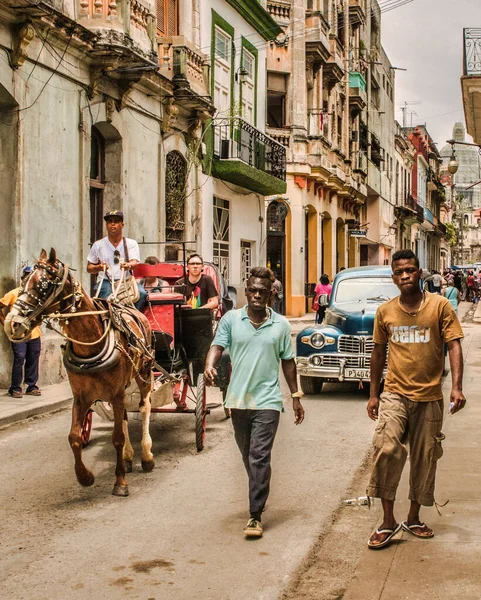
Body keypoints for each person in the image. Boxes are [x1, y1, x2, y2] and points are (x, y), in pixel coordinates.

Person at [366, 249, 465, 550]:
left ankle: (413, 517)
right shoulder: (385, 312)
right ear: (393, 277)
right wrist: (373, 394)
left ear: (419, 273)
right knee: (388, 447)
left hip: (430, 396)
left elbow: (454, 345)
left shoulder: (440, 306)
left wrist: (456, 387)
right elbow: (378, 353)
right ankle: (387, 521)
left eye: (410, 270)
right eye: (399, 272)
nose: (405, 276)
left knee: (425, 458)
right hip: (395, 393)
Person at [204, 266, 305, 539]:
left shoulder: (281, 325)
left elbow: (288, 361)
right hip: (238, 400)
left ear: (270, 294)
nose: (257, 295)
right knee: (249, 456)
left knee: (259, 456)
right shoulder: (231, 320)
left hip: (268, 401)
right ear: (246, 291)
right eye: (253, 290)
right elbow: (218, 346)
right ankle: (259, 488)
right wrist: (209, 365)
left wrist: (295, 397)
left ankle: (255, 515)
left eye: (263, 291)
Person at [86, 210, 147, 311]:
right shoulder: (98, 245)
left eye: (116, 221)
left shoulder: (131, 243)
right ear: (106, 225)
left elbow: (134, 262)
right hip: (106, 281)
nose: (113, 224)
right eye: (110, 221)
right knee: (108, 299)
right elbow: (89, 268)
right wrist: (99, 267)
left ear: (122, 225)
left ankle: (133, 318)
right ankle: (109, 323)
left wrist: (128, 265)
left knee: (142, 294)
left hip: (125, 281)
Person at [0, 267, 42, 398]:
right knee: (19, 358)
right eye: (27, 277)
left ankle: (31, 386)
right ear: (23, 279)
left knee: (33, 358)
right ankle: (15, 388)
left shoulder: (37, 295)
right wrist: (6, 323)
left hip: (34, 333)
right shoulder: (14, 293)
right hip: (18, 333)